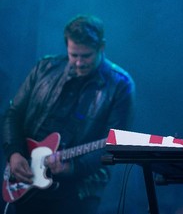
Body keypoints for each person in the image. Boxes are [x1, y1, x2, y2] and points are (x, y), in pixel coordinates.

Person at [2, 15, 135, 214]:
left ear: (102, 48)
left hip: (79, 191)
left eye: (86, 56)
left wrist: (74, 168)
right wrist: (14, 152)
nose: (79, 63)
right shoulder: (45, 68)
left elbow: (113, 144)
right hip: (28, 180)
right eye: (74, 55)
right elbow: (13, 113)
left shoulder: (120, 85)